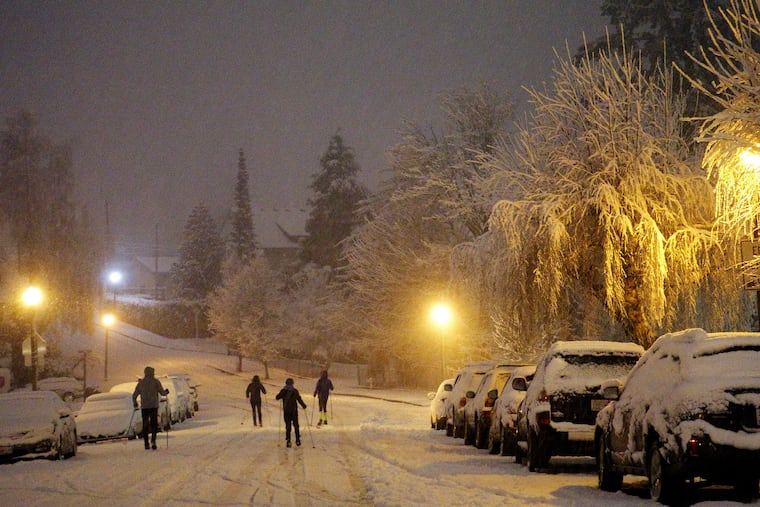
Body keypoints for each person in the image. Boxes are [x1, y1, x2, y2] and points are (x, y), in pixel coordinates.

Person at [132, 366, 169, 450]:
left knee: (145, 425)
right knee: (154, 424)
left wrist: (134, 403)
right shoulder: (156, 382)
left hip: (145, 406)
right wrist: (166, 392)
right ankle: (153, 440)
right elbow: (162, 393)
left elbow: (134, 395)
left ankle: (146, 443)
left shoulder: (141, 383)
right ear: (152, 373)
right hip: (153, 406)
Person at [275, 378, 307, 447]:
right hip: (294, 411)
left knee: (288, 426)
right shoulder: (295, 391)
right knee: (296, 425)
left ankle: (288, 440)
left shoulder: (283, 391)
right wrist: (303, 405)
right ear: (292, 383)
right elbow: (299, 399)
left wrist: (280, 396)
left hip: (286, 411)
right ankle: (297, 440)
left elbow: (277, 397)